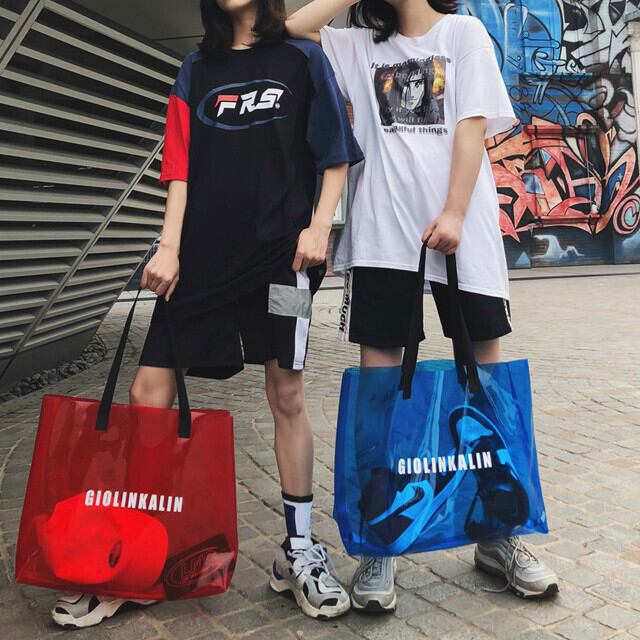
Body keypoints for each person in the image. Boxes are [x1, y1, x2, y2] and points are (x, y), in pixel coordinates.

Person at [51, 0, 362, 628]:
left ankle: (300, 550)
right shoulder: (196, 68)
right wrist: (168, 247)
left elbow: (334, 154)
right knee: (148, 390)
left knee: (288, 392)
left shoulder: (303, 58)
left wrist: (319, 226)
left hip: (284, 262)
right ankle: (138, 556)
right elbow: (179, 167)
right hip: (200, 262)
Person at [286, 0, 559, 612]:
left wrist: (456, 211)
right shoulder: (358, 44)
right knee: (380, 392)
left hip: (465, 234)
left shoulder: (464, 32)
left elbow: (471, 126)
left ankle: (499, 532)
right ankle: (380, 539)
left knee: (485, 382)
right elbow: (289, 27)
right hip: (384, 237)